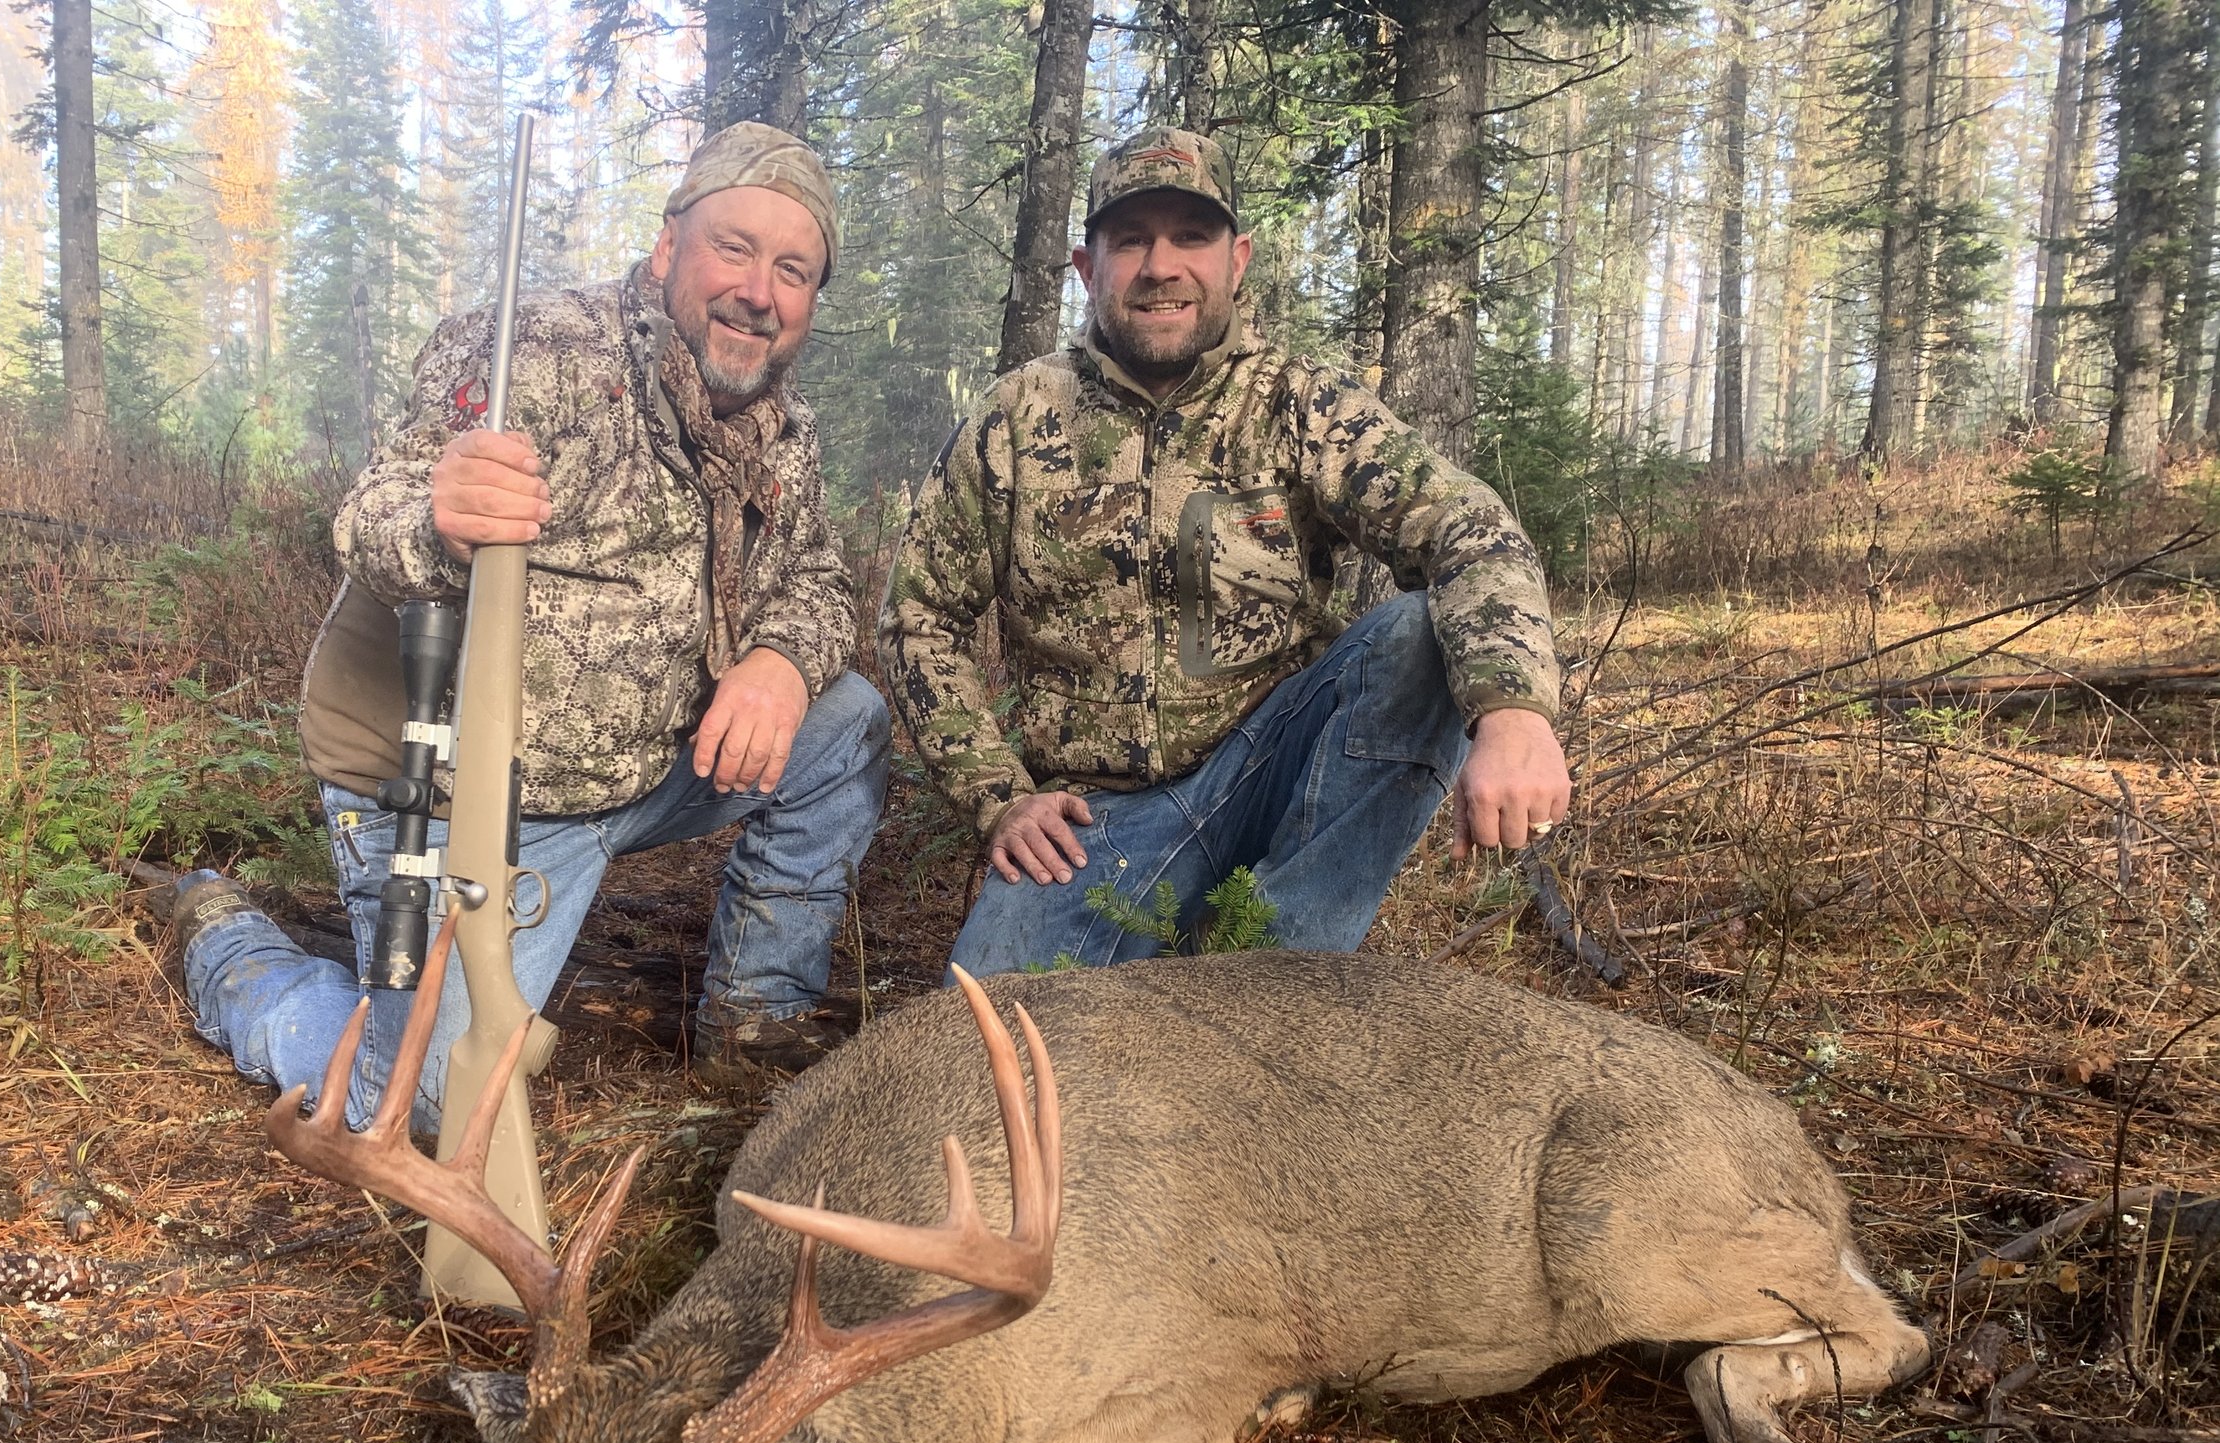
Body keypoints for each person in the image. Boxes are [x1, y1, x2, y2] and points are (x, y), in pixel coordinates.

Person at [159, 122, 889, 1125]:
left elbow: (816, 576)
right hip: (454, 795)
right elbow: (371, 511)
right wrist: (439, 520)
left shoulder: (777, 426)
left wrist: (780, 660)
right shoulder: (529, 353)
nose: (759, 290)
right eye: (735, 248)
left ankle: (756, 1021)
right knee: (411, 1100)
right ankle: (230, 949)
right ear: (668, 245)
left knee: (843, 723)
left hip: (633, 771)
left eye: (793, 269)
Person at [880, 126, 1570, 972]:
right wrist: (1000, 798)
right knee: (991, 1039)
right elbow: (916, 613)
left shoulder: (1299, 403)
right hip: (1098, 826)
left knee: (1415, 634)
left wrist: (1514, 711)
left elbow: (1465, 523)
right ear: (1086, 268)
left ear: (1236, 259)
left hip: (1272, 782)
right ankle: (1199, 969)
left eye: (1190, 237)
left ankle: (1276, 974)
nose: (1160, 265)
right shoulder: (1019, 417)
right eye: (1129, 239)